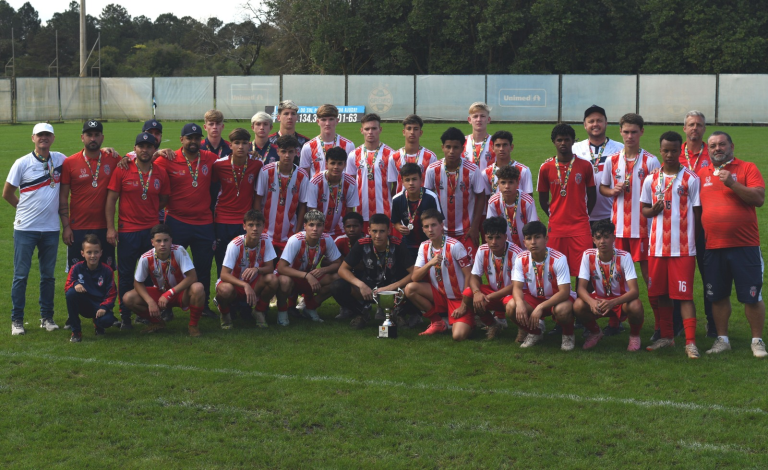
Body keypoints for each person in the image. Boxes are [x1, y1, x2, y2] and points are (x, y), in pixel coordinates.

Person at [698, 132, 767, 357]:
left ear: (731, 146)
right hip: (714, 246)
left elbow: (758, 199)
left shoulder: (747, 168)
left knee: (752, 295)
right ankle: (722, 339)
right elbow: (698, 211)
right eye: (713, 145)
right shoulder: (702, 174)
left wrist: (733, 183)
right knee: (717, 295)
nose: (717, 148)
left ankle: (757, 340)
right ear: (708, 149)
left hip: (745, 245)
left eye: (722, 144)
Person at [640, 131, 702, 358]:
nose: (669, 154)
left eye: (674, 150)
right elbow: (644, 210)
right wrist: (652, 210)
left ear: (680, 151)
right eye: (665, 150)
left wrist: (693, 242)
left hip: (683, 249)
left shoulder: (691, 179)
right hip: (656, 248)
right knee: (661, 294)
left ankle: (691, 342)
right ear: (660, 150)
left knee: (684, 296)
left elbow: (697, 214)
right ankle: (667, 338)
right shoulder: (651, 179)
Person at [599, 113, 660, 335]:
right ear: (620, 132)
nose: (630, 136)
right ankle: (615, 323)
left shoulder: (651, 160)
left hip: (644, 230)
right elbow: (603, 188)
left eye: (634, 131)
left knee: (649, 280)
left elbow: (658, 191)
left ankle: (661, 326)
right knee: (616, 278)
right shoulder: (612, 160)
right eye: (626, 132)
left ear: (642, 132)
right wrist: (612, 190)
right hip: (618, 230)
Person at [3, 123, 67, 335]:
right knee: (21, 276)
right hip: (25, 229)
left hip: (50, 229)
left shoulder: (60, 159)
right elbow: (7, 193)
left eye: (47, 135)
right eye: (40, 135)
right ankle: (17, 320)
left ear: (53, 138)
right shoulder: (22, 163)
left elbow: (85, 156)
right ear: (33, 138)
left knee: (48, 276)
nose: (44, 138)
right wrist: (22, 209)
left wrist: (106, 150)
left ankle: (46, 317)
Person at [154, 123, 219, 319]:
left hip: (204, 223)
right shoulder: (168, 159)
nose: (193, 142)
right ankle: (166, 306)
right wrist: (156, 153)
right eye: (189, 138)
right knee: (170, 266)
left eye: (197, 138)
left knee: (204, 266)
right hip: (176, 221)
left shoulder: (209, 158)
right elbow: (142, 159)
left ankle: (202, 305)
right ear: (181, 140)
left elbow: (231, 161)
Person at [106, 132, 170, 329]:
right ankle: (125, 316)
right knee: (126, 274)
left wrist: (148, 210)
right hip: (128, 232)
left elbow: (164, 199)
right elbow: (111, 200)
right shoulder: (122, 169)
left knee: (152, 274)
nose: (145, 150)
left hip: (151, 232)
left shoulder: (160, 171)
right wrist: (111, 228)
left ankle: (148, 313)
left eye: (149, 146)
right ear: (135, 149)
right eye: (141, 146)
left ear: (154, 149)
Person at [122, 224, 207, 336]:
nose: (162, 244)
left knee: (198, 287)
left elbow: (192, 277)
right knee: (128, 298)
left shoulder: (179, 250)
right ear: (152, 242)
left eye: (166, 240)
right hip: (160, 292)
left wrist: (170, 293)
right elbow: (138, 283)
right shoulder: (146, 257)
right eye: (158, 241)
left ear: (171, 240)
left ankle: (193, 325)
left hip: (180, 292)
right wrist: (150, 301)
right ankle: (157, 322)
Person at [333, 213, 414, 329]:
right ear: (369, 230)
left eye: (382, 231)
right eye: (374, 231)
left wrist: (391, 287)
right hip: (369, 289)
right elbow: (342, 269)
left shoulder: (398, 244)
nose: (378, 235)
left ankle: (399, 313)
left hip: (394, 289)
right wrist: (361, 285)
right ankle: (361, 313)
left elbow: (413, 273)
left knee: (415, 286)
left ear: (389, 231)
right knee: (337, 286)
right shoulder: (362, 244)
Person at [505, 221, 577, 351]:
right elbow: (517, 287)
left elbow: (564, 292)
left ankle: (568, 335)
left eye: (537, 237)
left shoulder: (559, 258)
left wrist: (540, 307)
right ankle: (535, 333)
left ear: (546, 239)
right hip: (535, 297)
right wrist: (520, 303)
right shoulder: (520, 258)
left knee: (563, 310)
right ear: (524, 241)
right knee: (511, 306)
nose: (533, 242)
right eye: (529, 238)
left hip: (557, 299)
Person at [573, 220, 644, 351]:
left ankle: (634, 336)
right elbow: (581, 288)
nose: (602, 241)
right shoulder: (587, 255)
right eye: (598, 237)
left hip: (620, 300)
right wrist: (591, 302)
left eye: (606, 237)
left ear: (613, 238)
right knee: (578, 305)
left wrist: (613, 302)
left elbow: (634, 291)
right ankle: (595, 332)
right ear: (593, 239)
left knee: (636, 305)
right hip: (598, 300)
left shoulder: (624, 256)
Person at [60, 120, 121, 271]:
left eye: (96, 135)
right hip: (77, 228)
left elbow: (137, 161)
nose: (92, 138)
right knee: (76, 273)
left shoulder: (113, 159)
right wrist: (66, 227)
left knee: (106, 272)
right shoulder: (70, 162)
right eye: (89, 135)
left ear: (102, 138)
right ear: (82, 137)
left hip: (104, 228)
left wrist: (158, 152)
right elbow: (63, 197)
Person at [405, 209, 473, 340]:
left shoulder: (455, 246)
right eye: (426, 226)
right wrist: (430, 263)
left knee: (458, 336)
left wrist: (464, 304)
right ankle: (437, 322)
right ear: (423, 229)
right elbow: (415, 277)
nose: (430, 229)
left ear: (442, 226)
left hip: (458, 297)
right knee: (410, 289)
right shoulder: (423, 246)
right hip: (438, 293)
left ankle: (470, 319)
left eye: (433, 225)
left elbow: (469, 275)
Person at [537, 123, 596, 276]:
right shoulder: (546, 167)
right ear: (554, 142)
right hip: (557, 226)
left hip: (580, 226)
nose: (563, 143)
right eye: (559, 140)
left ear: (572, 141)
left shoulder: (585, 165)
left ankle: (581, 300)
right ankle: (562, 299)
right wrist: (553, 214)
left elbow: (592, 196)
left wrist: (583, 213)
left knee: (584, 270)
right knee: (556, 270)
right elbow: (543, 198)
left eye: (567, 140)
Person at [677, 110, 715, 337]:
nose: (695, 128)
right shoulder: (673, 152)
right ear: (684, 128)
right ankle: (679, 324)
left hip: (707, 227)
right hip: (679, 228)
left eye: (699, 125)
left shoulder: (713, 152)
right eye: (691, 124)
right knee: (679, 279)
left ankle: (712, 322)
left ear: (704, 129)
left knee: (710, 277)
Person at [424, 127, 485, 258]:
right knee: (444, 268)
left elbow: (481, 197)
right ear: (442, 147)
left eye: (456, 147)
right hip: (440, 230)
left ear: (462, 149)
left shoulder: (473, 170)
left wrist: (475, 227)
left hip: (466, 231)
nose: (451, 151)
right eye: (448, 147)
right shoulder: (432, 169)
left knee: (472, 270)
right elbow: (427, 198)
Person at [276, 209, 342, 325]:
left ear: (323, 226)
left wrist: (323, 270)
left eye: (319, 225)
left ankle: (310, 308)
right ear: (305, 226)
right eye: (311, 225)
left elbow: (338, 263)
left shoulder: (327, 239)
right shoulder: (295, 240)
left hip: (309, 276)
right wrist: (307, 276)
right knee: (285, 281)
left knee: (337, 278)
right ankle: (282, 312)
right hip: (291, 276)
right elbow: (282, 268)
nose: (315, 229)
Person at [212, 128, 263, 277]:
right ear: (230, 145)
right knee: (222, 258)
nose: (241, 147)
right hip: (222, 220)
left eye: (244, 143)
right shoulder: (219, 165)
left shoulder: (257, 164)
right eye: (237, 143)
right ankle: (222, 292)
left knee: (244, 259)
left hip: (244, 220)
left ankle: (242, 294)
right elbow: (213, 190)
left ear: (250, 145)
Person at [461, 217, 523, 340]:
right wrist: (477, 292)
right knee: (468, 293)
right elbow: (474, 276)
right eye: (490, 238)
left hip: (512, 294)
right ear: (485, 238)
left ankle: (523, 329)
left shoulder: (516, 253)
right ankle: (493, 325)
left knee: (513, 305)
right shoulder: (482, 250)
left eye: (498, 237)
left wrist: (489, 297)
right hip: (493, 293)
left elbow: (516, 285)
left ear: (505, 237)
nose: (494, 242)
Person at [214, 210, 278, 329]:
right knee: (224, 290)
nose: (255, 229)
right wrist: (244, 285)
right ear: (244, 226)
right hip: (235, 283)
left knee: (273, 279)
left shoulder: (265, 239)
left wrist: (257, 269)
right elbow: (224, 274)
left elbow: (270, 268)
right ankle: (225, 314)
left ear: (263, 226)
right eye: (251, 225)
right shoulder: (235, 244)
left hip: (255, 283)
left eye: (258, 225)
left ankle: (259, 311)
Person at [254, 134, 309, 256]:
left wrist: (297, 232)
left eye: (291, 152)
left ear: (296, 152)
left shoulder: (302, 175)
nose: (287, 155)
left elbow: (303, 205)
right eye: (283, 151)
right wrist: (259, 227)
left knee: (285, 272)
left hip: (289, 234)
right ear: (278, 151)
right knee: (266, 271)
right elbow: (257, 199)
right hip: (266, 233)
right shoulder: (266, 171)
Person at [572, 105, 624, 224]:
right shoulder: (575, 149)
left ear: (606, 123)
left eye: (599, 120)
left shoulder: (620, 148)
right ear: (585, 125)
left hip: (612, 214)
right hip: (582, 215)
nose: (595, 124)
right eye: (591, 121)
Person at [346, 113, 397, 233]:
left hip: (385, 211)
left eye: (374, 128)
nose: (370, 132)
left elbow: (396, 185)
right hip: (361, 211)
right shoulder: (353, 155)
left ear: (380, 130)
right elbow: (350, 184)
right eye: (367, 129)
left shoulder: (391, 155)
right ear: (361, 130)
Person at [64, 234, 118, 342]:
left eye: (96, 252)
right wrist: (75, 284)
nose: (93, 256)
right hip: (84, 304)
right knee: (71, 294)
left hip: (99, 305)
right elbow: (67, 286)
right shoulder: (76, 268)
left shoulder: (107, 270)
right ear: (82, 253)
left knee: (108, 321)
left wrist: (104, 307)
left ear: (101, 253)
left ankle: (98, 324)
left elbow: (112, 293)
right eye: (89, 252)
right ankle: (76, 332)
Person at [391, 162, 442, 259]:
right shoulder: (397, 199)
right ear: (402, 181)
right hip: (408, 244)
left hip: (430, 243)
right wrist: (399, 227)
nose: (411, 183)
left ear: (421, 180)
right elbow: (395, 221)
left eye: (414, 179)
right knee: (411, 272)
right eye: (407, 180)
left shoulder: (431, 197)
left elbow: (440, 221)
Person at [307, 146, 359, 238]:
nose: (336, 167)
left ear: (345, 164)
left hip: (340, 230)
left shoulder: (351, 183)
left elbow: (349, 211)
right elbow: (312, 211)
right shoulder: (315, 182)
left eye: (339, 164)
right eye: (333, 163)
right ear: (326, 164)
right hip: (318, 229)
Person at [486, 165, 538, 251]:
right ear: (498, 183)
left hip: (526, 249)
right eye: (503, 182)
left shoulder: (527, 201)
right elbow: (491, 228)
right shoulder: (493, 202)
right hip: (504, 250)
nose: (507, 186)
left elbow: (533, 228)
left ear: (517, 183)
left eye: (511, 182)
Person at [299, 104, 356, 178]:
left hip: (340, 189)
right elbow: (304, 176)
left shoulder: (348, 145)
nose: (327, 123)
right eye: (323, 119)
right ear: (318, 122)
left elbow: (351, 174)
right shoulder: (308, 147)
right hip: (317, 189)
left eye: (331, 119)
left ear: (337, 121)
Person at [389, 114, 438, 193]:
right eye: (409, 129)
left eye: (415, 129)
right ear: (404, 132)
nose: (412, 132)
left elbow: (433, 185)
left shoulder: (430, 157)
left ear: (421, 132)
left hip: (423, 203)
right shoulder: (394, 157)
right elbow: (395, 184)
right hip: (402, 203)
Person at [482, 130, 533, 197]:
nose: (501, 149)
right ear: (493, 148)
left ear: (511, 147)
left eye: (505, 145)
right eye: (498, 145)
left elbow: (529, 197)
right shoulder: (486, 172)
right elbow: (486, 198)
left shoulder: (523, 170)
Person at [269, 100, 309, 165]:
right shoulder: (269, 141)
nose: (290, 117)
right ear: (278, 117)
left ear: (297, 117)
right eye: (286, 114)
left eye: (293, 114)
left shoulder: (305, 143)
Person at [463, 102, 495, 171]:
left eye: (482, 116)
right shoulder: (462, 142)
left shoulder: (495, 143)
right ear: (469, 120)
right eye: (475, 116)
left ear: (488, 119)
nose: (479, 120)